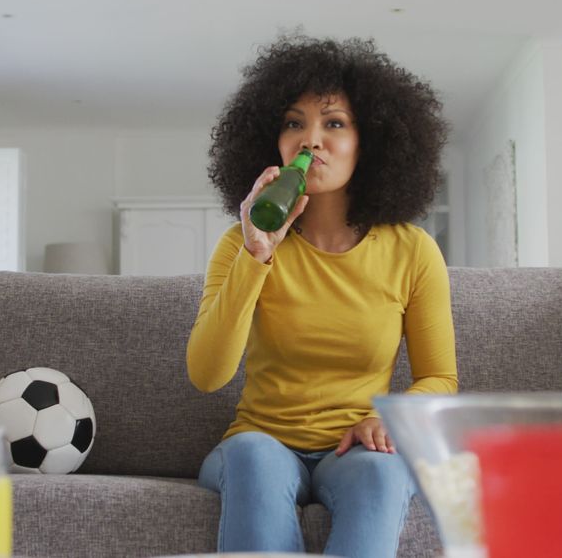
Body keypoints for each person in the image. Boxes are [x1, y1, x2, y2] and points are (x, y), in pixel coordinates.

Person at [186, 33, 458, 558]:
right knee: (254, 460)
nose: (312, 139)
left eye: (334, 123)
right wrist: (257, 256)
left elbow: (439, 378)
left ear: (369, 140)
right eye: (295, 123)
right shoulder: (239, 243)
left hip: (354, 447)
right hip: (259, 442)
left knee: (383, 474)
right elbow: (207, 374)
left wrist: (391, 417)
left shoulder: (413, 251)